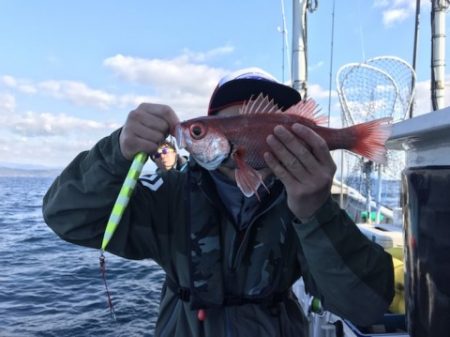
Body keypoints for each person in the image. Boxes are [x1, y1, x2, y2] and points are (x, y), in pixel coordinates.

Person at [43, 67, 394, 337]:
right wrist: (116, 152)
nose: (255, 131)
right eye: (229, 122)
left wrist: (317, 212)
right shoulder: (169, 198)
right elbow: (65, 216)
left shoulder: (304, 203)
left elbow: (366, 307)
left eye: (275, 123)